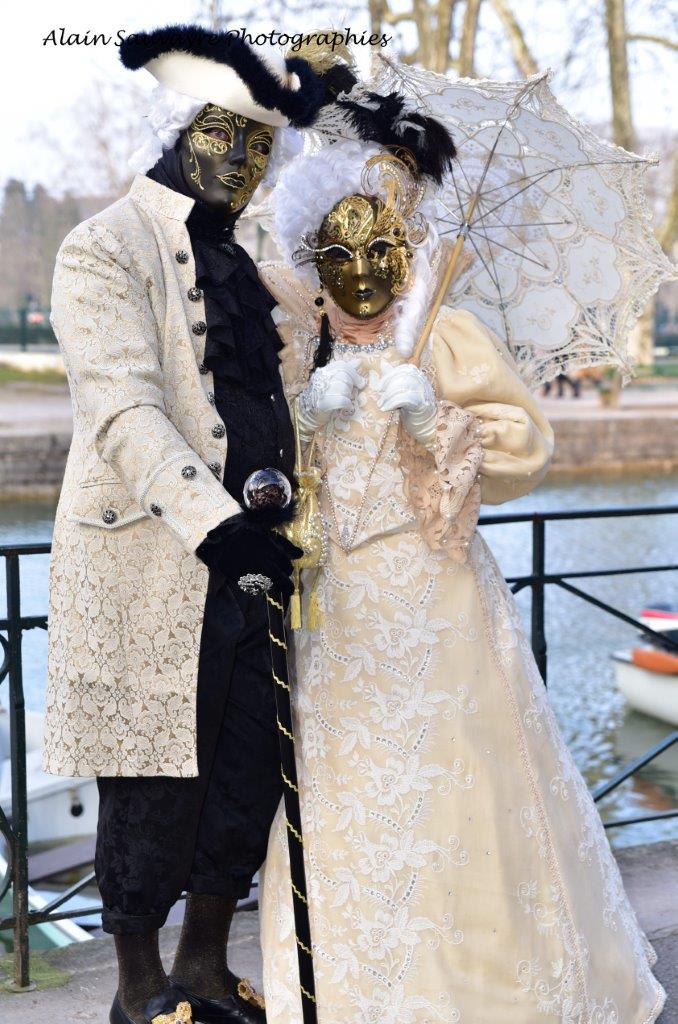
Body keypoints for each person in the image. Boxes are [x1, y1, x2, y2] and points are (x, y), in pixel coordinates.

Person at [256, 138, 666, 1022]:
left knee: (459, 797)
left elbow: (526, 449)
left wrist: (434, 417)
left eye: (379, 252)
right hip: (338, 621)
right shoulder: (301, 343)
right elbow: (265, 483)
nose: (362, 273)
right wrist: (301, 420)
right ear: (316, 262)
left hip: (439, 598)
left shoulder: (442, 329)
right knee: (351, 806)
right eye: (340, 256)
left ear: (405, 249)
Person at [42, 24, 329, 1024]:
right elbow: (123, 407)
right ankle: (136, 992)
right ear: (187, 133)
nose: (245, 163)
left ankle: (205, 965)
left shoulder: (245, 266)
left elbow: (281, 389)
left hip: (257, 564)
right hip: (155, 563)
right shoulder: (104, 246)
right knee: (152, 782)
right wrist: (216, 525)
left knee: (246, 762)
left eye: (263, 147)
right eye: (228, 138)